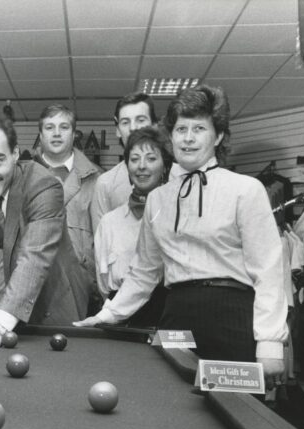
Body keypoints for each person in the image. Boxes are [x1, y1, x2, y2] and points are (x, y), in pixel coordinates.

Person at [75, 85, 287, 388]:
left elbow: (269, 270)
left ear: (218, 136)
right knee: (170, 407)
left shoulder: (246, 189)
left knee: (233, 413)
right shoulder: (158, 200)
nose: (188, 138)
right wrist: (107, 314)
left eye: (199, 128)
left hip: (231, 316)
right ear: (171, 137)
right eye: (181, 129)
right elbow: (143, 275)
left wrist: (270, 344)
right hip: (175, 318)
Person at [0, 117, 90, 349]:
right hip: (4, 308)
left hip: (55, 304)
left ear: (15, 154)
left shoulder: (44, 185)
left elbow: (34, 257)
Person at [94, 126, 171, 328]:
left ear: (165, 167)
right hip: (118, 318)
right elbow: (103, 284)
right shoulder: (109, 222)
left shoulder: (176, 216)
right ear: (127, 168)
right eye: (134, 159)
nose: (142, 166)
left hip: (166, 314)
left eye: (151, 159)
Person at [33, 104, 103, 313]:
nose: (56, 133)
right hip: (33, 285)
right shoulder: (21, 176)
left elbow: (104, 239)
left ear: (74, 134)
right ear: (40, 134)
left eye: (64, 127)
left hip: (81, 287)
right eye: (49, 127)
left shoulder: (98, 179)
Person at [92, 92, 157, 229]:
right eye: (125, 122)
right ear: (117, 130)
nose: (133, 128)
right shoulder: (106, 183)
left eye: (140, 120)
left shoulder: (180, 176)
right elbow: (102, 243)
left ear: (154, 125)